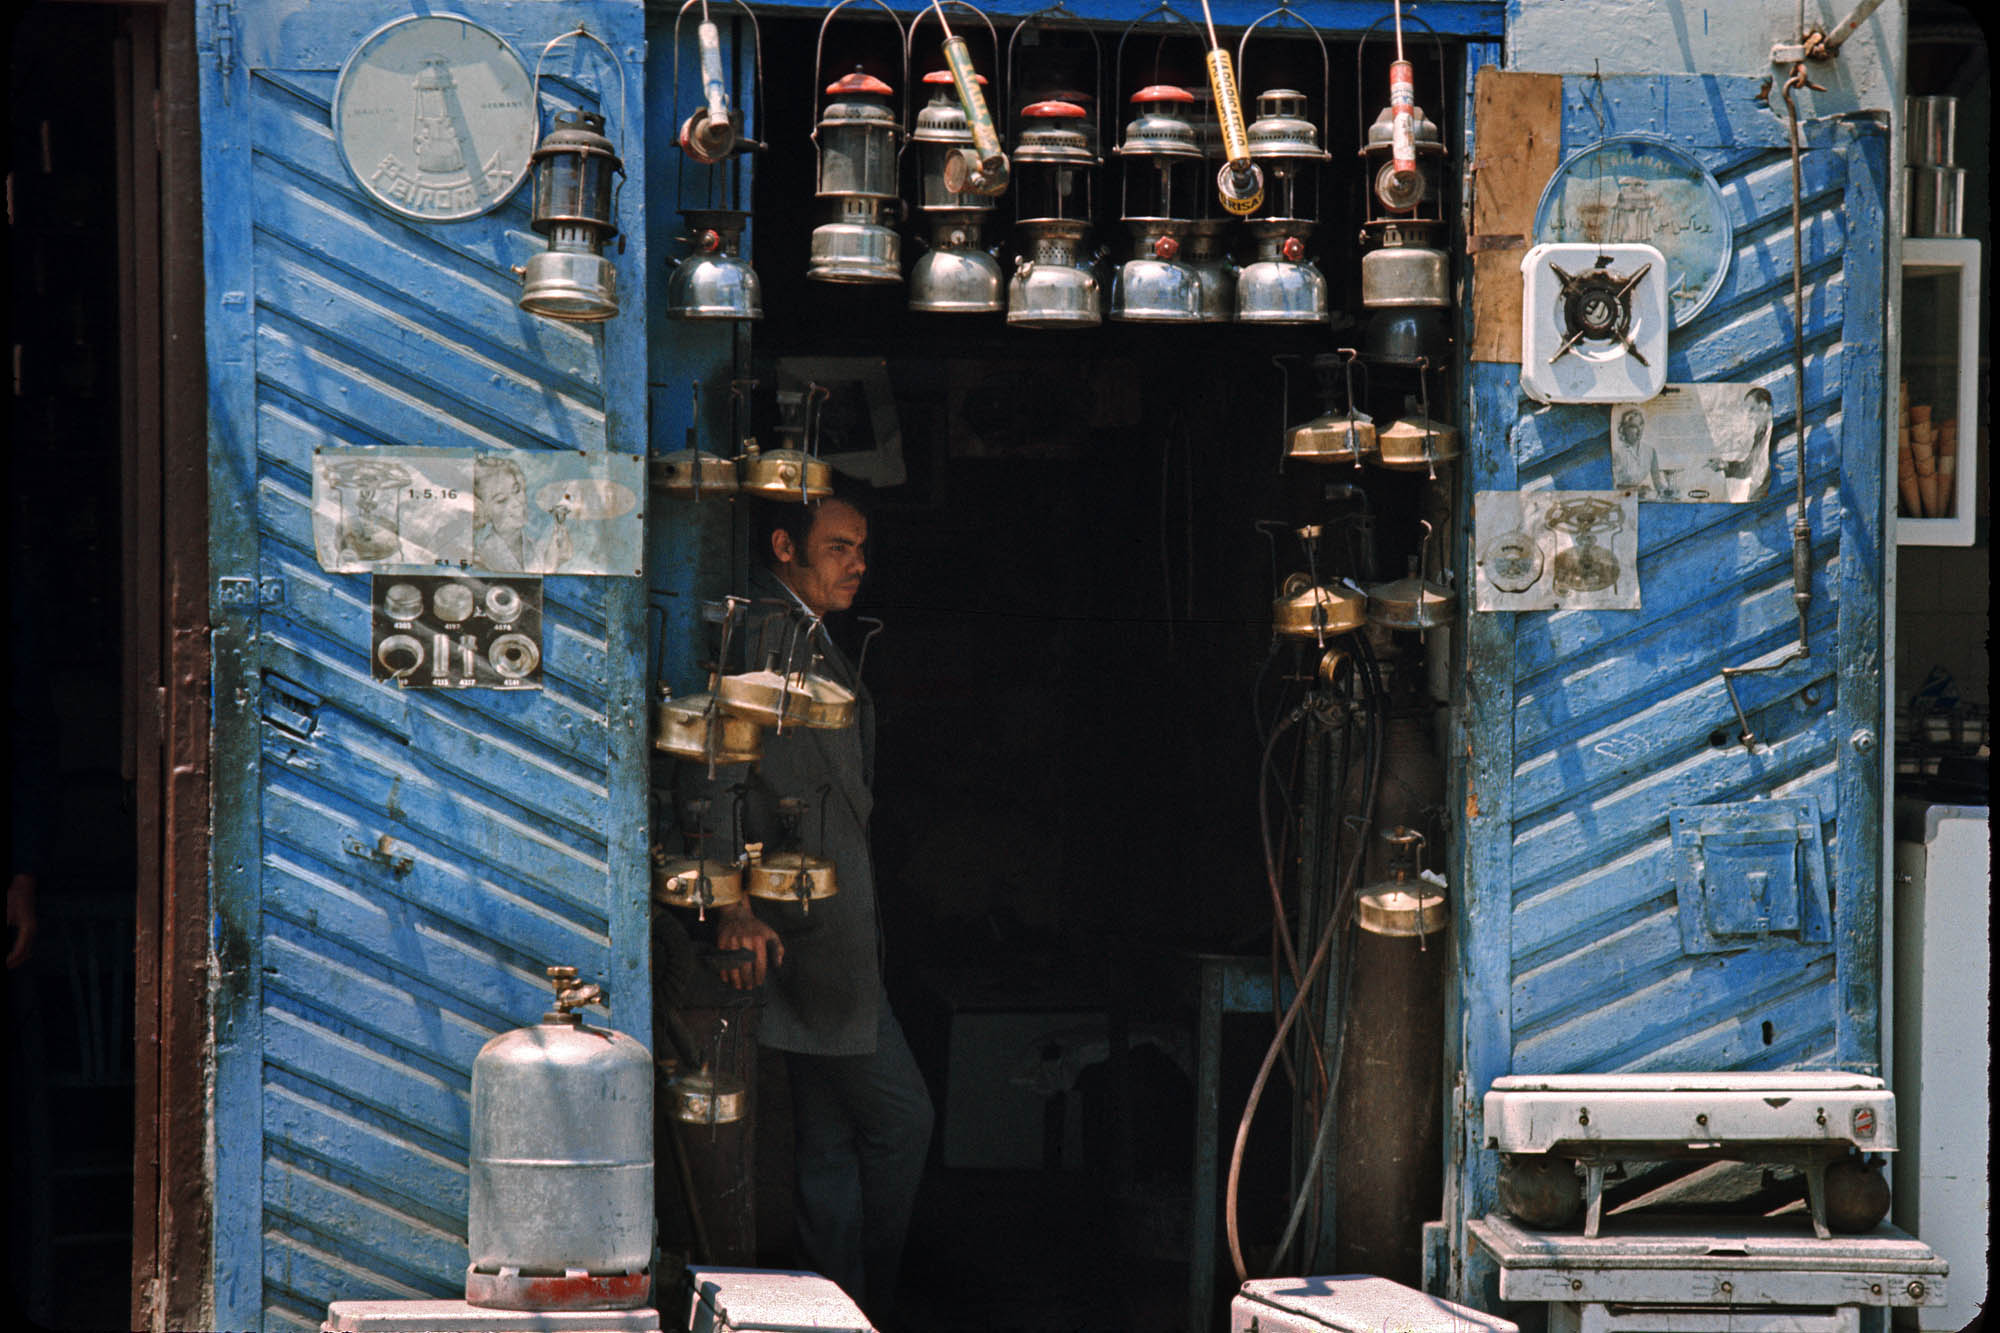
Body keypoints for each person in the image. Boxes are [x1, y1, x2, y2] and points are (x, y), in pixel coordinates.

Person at [689, 493, 932, 1324]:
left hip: (827, 925)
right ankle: (875, 1298)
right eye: (837, 547)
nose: (856, 563)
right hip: (803, 930)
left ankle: (836, 1309)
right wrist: (730, 908)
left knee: (829, 1142)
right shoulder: (765, 634)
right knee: (904, 1119)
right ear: (785, 546)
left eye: (861, 547)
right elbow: (719, 767)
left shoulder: (808, 633)